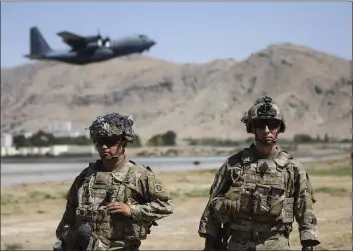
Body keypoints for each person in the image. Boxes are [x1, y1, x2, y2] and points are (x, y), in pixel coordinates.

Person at [198, 96, 320, 251]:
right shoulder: (234, 165)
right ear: (252, 127)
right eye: (261, 125)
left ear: (280, 128)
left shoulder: (293, 169)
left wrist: (308, 244)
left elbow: (305, 209)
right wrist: (210, 243)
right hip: (238, 244)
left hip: (277, 245)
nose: (267, 130)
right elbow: (211, 207)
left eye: (273, 124)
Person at [54, 112, 173, 251]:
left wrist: (132, 210)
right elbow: (70, 211)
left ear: (123, 142)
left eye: (109, 142)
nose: (103, 147)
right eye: (99, 141)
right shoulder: (86, 175)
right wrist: (63, 239)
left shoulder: (138, 175)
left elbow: (166, 205)